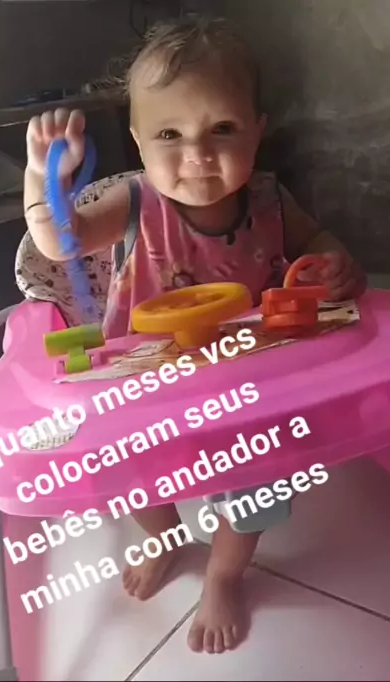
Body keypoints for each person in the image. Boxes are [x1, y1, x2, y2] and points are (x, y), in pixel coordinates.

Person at [23, 16, 366, 654]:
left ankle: (224, 575)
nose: (198, 154)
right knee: (133, 473)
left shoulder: (270, 200)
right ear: (137, 141)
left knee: (259, 480)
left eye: (223, 129)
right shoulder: (135, 202)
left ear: (258, 130)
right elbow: (60, 241)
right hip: (152, 386)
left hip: (248, 384)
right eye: (169, 134)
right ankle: (164, 538)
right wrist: (45, 179)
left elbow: (316, 242)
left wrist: (334, 262)